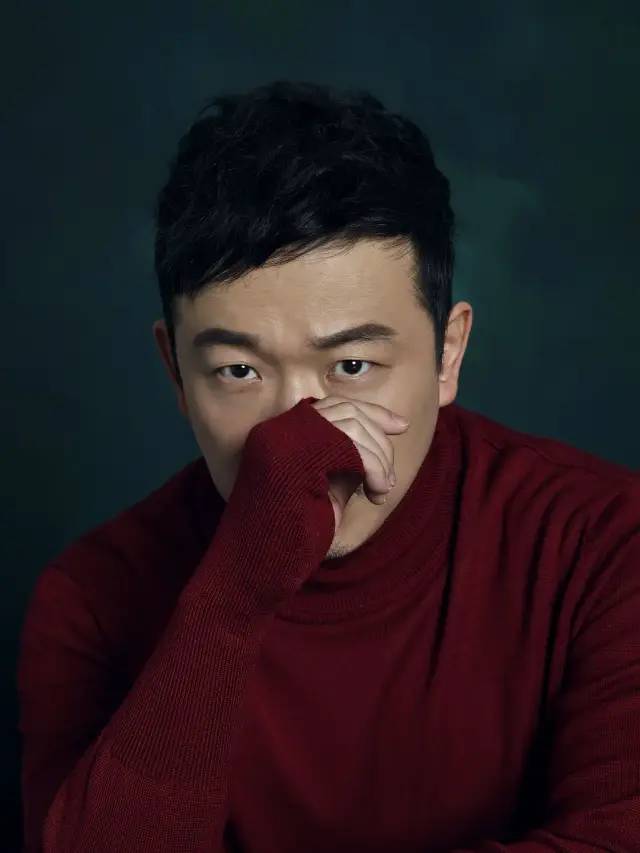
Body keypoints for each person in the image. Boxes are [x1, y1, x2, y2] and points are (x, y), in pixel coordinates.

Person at [17, 79, 640, 852]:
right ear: (175, 372)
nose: (300, 437)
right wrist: (236, 590)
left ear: (448, 354)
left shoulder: (606, 543)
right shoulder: (90, 599)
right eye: (239, 372)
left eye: (351, 365)